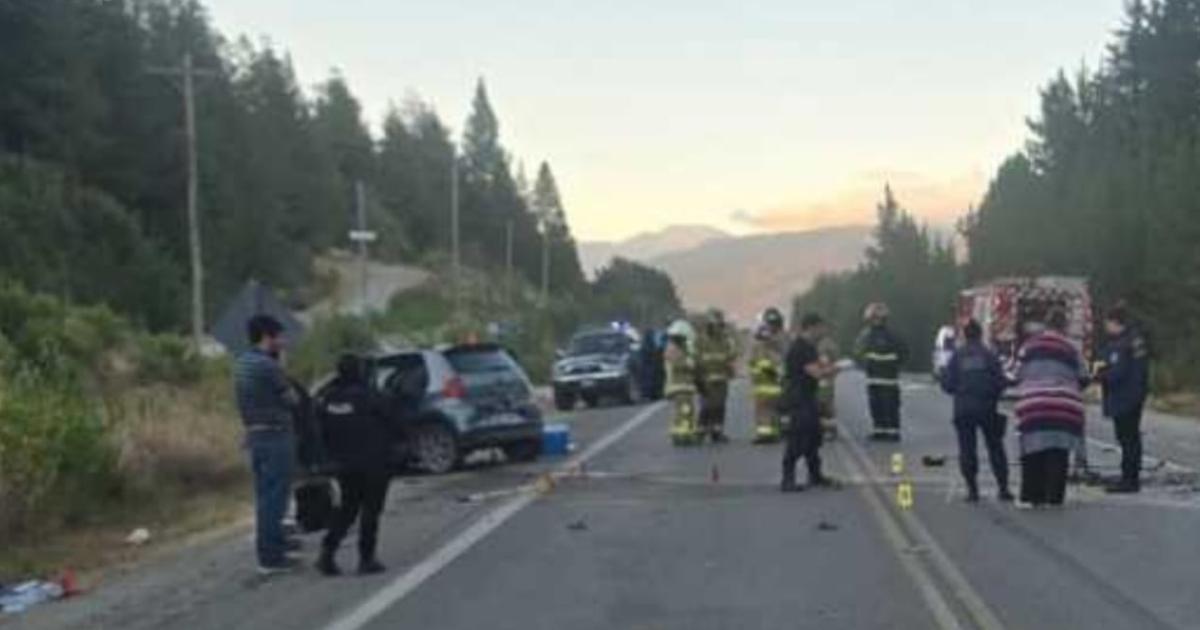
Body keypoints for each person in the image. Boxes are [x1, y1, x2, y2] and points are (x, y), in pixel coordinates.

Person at [234, 314, 300, 574]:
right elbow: (291, 399)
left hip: (255, 435)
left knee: (264, 497)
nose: (282, 342)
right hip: (275, 435)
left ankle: (273, 547)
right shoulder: (268, 366)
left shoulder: (242, 363)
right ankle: (272, 556)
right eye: (279, 337)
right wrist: (282, 365)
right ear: (266, 336)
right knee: (275, 498)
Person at [316, 354, 393, 576]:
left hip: (344, 463)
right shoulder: (370, 396)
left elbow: (320, 428)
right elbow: (393, 421)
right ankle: (366, 558)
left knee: (348, 508)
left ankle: (327, 552)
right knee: (371, 509)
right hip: (373, 460)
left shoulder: (328, 399)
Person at [1013, 308, 1089, 508]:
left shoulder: (1029, 346)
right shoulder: (1071, 349)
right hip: (1064, 408)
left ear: (1045, 325)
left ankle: (1031, 496)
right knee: (1058, 451)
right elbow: (1083, 377)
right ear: (1064, 327)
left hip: (1033, 405)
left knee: (1032, 449)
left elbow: (1016, 374)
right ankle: (1054, 498)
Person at [941, 319, 1013, 503]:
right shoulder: (989, 355)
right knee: (995, 447)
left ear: (965, 336)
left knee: (967, 448)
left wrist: (960, 390)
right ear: (981, 335)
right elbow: (1001, 381)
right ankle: (1003, 488)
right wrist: (993, 392)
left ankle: (972, 491)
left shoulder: (957, 356)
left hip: (964, 408)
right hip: (987, 407)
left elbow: (947, 384)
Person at [780, 313, 840, 492]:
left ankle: (815, 475)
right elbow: (816, 373)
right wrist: (837, 369)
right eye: (821, 328)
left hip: (808, 397)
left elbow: (819, 368)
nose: (823, 332)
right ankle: (787, 479)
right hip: (799, 398)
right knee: (798, 438)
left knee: (814, 437)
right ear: (811, 327)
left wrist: (828, 368)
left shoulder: (810, 347)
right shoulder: (801, 348)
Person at [1096, 304, 1150, 494]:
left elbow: (1116, 373)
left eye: (1107, 323)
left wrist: (1099, 375)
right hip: (1135, 395)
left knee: (1127, 439)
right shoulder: (1135, 340)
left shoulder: (1121, 344)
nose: (1106, 327)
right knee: (1131, 438)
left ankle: (1129, 479)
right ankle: (1130, 476)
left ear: (1114, 322)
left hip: (1124, 397)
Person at [855, 303, 907, 441]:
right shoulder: (870, 335)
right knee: (879, 406)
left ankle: (891, 432)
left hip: (883, 378)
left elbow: (859, 352)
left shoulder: (870, 335)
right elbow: (859, 352)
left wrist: (866, 362)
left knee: (887, 406)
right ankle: (880, 431)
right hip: (879, 378)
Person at [695, 309, 737, 443]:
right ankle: (701, 431)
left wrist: (731, 369)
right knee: (707, 406)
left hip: (721, 379)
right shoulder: (701, 340)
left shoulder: (725, 340)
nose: (718, 328)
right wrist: (698, 378)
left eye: (720, 325)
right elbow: (696, 359)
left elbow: (730, 356)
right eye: (715, 325)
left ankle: (717, 431)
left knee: (719, 406)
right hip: (706, 379)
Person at [749, 307, 789, 444]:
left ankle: (766, 434)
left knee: (765, 409)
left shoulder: (762, 344)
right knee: (773, 408)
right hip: (774, 382)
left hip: (765, 382)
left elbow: (754, 362)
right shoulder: (782, 339)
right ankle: (774, 432)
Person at [664, 319, 701, 445]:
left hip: (683, 386)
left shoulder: (676, 348)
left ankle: (683, 433)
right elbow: (681, 365)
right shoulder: (675, 349)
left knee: (685, 411)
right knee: (685, 410)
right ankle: (683, 435)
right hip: (680, 386)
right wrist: (690, 361)